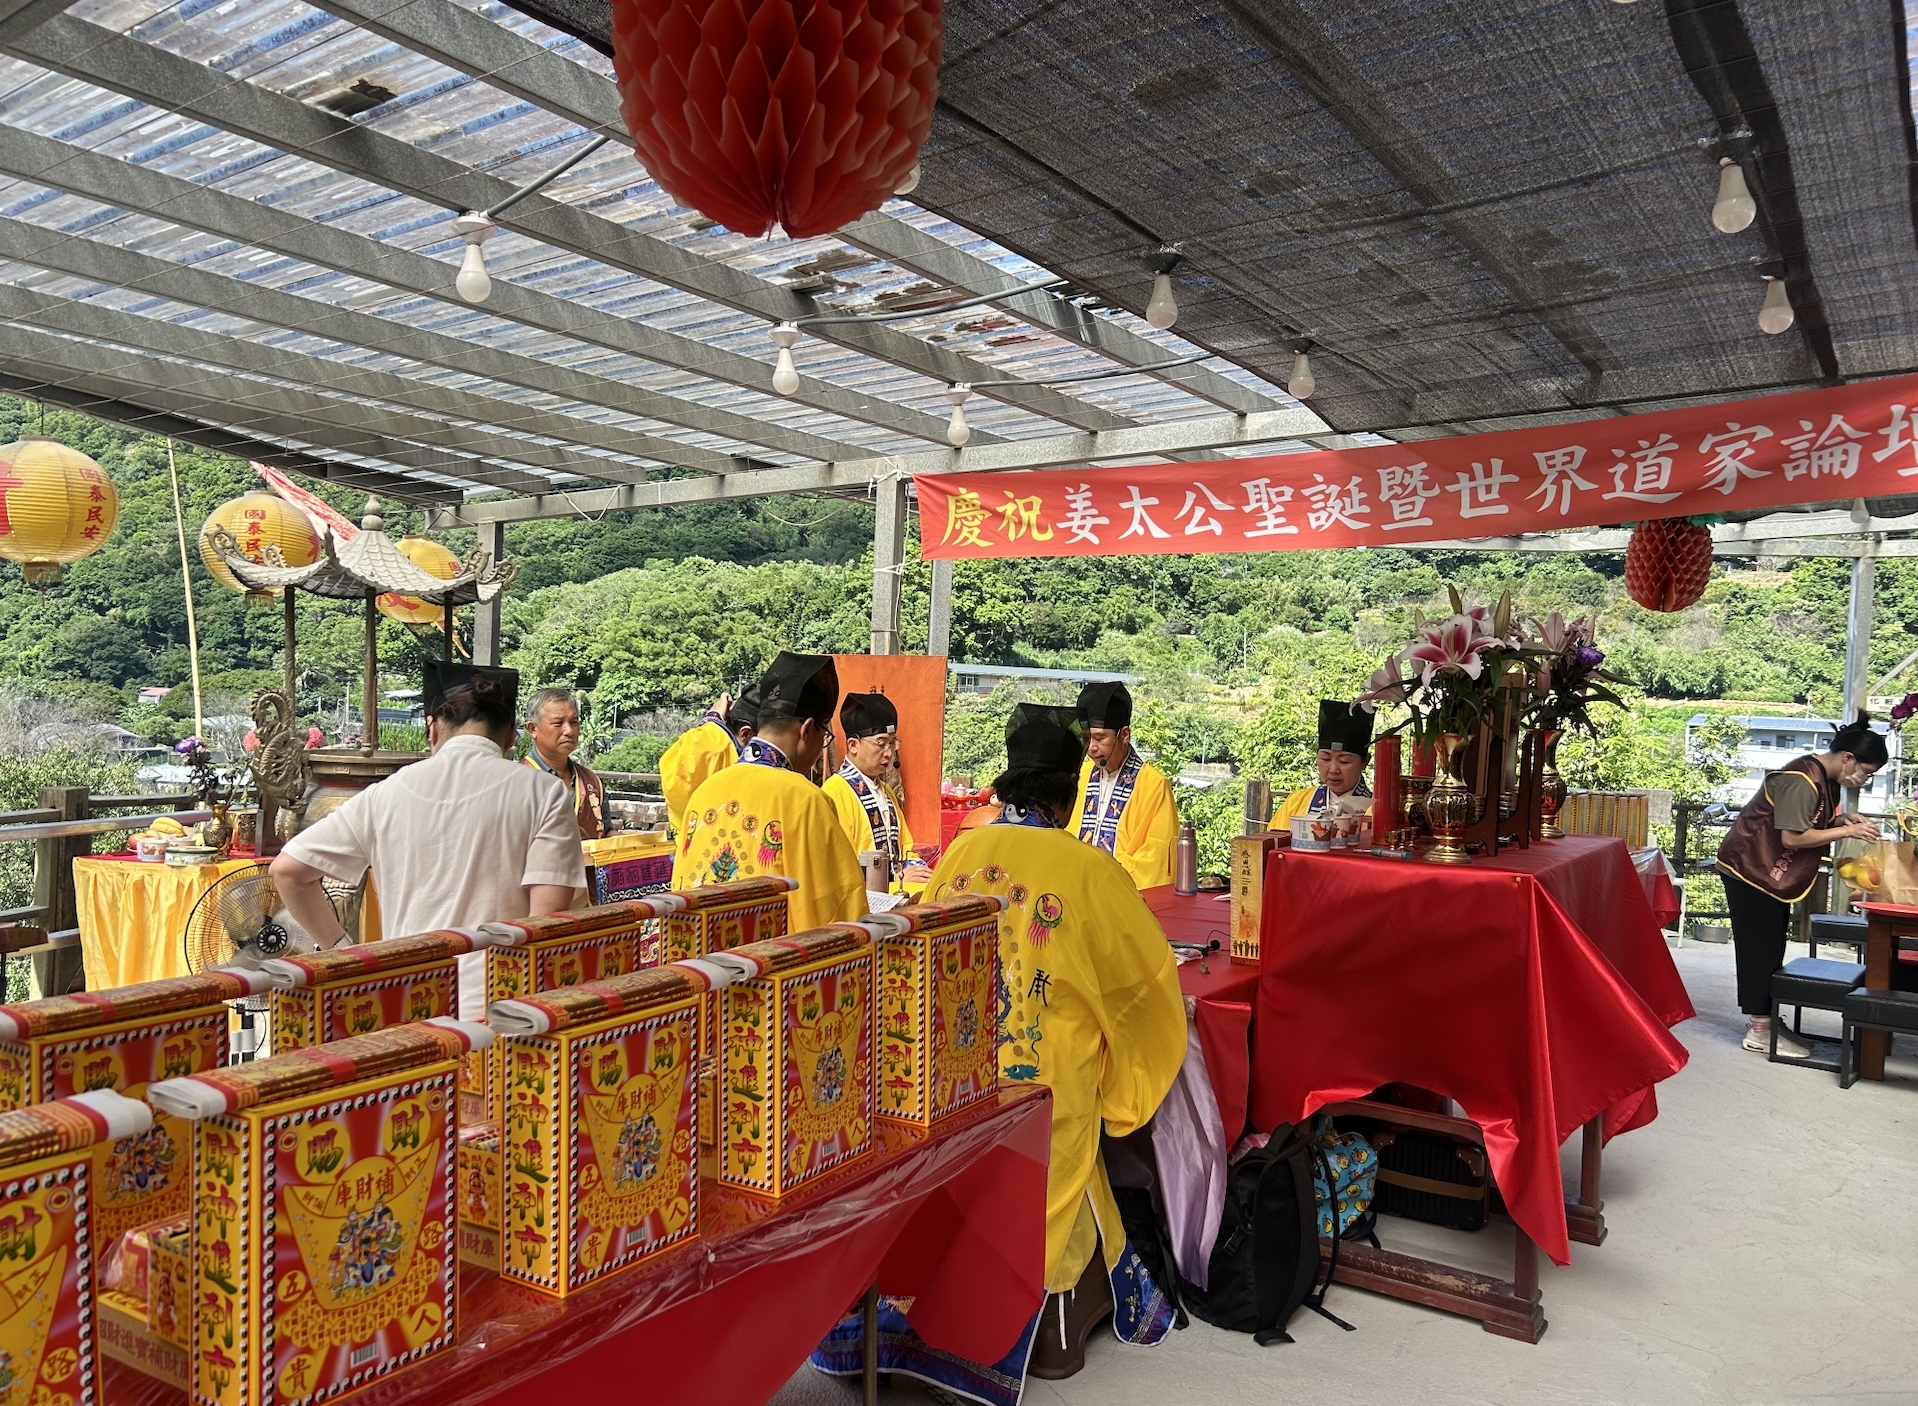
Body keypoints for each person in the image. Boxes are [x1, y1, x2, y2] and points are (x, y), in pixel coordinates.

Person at [812, 704, 1185, 1399]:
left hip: (960, 1067)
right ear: (1066, 792)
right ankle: (1045, 1327)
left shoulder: (963, 851)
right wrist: (1122, 1088)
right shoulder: (1087, 869)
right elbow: (1145, 986)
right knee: (1064, 1172)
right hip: (1046, 1078)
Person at [270, 661, 586, 1019]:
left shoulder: (386, 793)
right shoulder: (544, 792)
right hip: (500, 1009)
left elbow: (288, 871)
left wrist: (342, 952)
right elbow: (545, 922)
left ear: (431, 729)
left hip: (404, 1000)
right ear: (513, 735)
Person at [1716, 711, 1885, 1058]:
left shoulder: (1822, 776)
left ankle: (1767, 1022)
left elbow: (1809, 819)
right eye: (1866, 772)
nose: (1864, 780)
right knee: (1758, 950)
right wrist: (1849, 830)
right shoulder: (1801, 778)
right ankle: (1760, 1030)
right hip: (1750, 868)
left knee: (1771, 947)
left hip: (1767, 871)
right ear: (1848, 757)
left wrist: (1839, 820)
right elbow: (1793, 837)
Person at [673, 653, 864, 932]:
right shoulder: (806, 799)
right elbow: (837, 905)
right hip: (767, 967)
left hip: (703, 963)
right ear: (807, 730)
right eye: (825, 736)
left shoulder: (704, 792)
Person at [821, 692, 933, 893]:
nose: (889, 753)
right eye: (881, 743)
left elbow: (906, 848)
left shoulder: (887, 792)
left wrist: (917, 869)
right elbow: (839, 866)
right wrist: (897, 877)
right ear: (853, 745)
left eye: (892, 743)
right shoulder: (834, 791)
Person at [1071, 681, 1179, 889]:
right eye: (1086, 738)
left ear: (1125, 735)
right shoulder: (1079, 776)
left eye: (1100, 738)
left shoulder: (1154, 784)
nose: (1091, 748)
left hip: (1122, 895)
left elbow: (1156, 860)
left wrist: (1099, 876)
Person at [659, 685, 759, 837]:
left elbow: (679, 773)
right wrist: (713, 722)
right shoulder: (719, 751)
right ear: (745, 733)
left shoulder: (712, 744)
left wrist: (713, 718)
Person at [1270, 699, 1375, 830]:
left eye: (1344, 761)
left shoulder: (1376, 811)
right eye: (1325, 759)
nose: (1333, 769)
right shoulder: (1296, 802)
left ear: (1365, 761)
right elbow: (1272, 845)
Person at [522, 686, 607, 840]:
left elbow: (606, 831)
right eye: (558, 723)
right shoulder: (517, 781)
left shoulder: (592, 782)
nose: (569, 730)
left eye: (574, 722)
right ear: (533, 729)